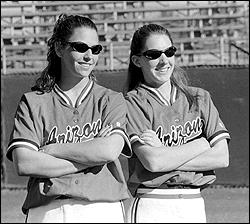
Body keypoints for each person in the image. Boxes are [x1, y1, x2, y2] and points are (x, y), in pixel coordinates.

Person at [6, 13, 132, 223]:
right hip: (48, 212)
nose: (89, 56)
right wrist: (91, 156)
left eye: (95, 49)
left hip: (102, 210)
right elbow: (25, 163)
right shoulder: (33, 102)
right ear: (58, 48)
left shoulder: (111, 100)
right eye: (80, 47)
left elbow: (109, 151)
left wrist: (53, 150)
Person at [124, 24, 230, 223]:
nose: (164, 60)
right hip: (152, 203)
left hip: (193, 202)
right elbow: (153, 162)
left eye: (169, 51)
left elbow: (222, 157)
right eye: (154, 54)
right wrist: (200, 145)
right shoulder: (132, 102)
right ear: (137, 61)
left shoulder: (200, 98)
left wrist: (165, 152)